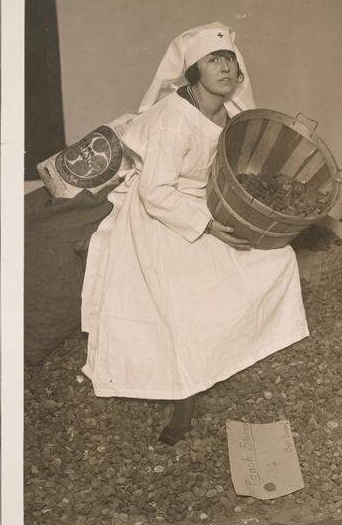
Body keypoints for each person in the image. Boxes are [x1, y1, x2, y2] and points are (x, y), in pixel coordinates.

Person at [81, 23, 309, 444]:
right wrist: (208, 227)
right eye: (212, 60)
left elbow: (239, 171)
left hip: (211, 205)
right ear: (193, 72)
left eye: (229, 60)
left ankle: (229, 353)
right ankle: (183, 394)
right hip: (163, 216)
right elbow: (155, 192)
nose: (224, 68)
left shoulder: (236, 116)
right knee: (186, 293)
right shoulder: (172, 119)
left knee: (278, 260)